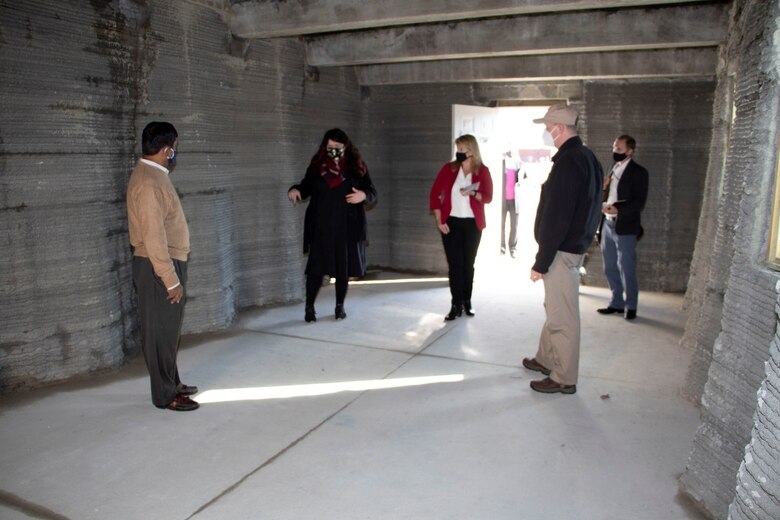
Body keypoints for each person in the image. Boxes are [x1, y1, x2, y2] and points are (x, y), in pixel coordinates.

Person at [523, 105, 603, 395]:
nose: (546, 131)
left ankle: (563, 377)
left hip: (561, 250)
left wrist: (541, 262)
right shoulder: (587, 157)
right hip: (573, 246)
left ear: (559, 127)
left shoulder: (569, 162)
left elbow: (558, 216)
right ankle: (546, 358)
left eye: (548, 126)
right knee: (555, 308)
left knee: (563, 318)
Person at [127, 121, 199, 411]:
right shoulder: (147, 183)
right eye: (175, 148)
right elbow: (154, 238)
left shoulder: (154, 175)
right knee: (159, 333)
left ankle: (172, 381)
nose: (175, 153)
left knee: (167, 331)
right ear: (167, 150)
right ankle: (165, 395)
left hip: (164, 262)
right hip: (158, 266)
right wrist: (170, 279)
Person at [288, 128, 377, 323]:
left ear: (346, 146)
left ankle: (339, 306)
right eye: (330, 146)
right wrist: (296, 190)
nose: (333, 150)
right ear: (324, 146)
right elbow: (306, 187)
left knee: (342, 270)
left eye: (337, 147)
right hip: (321, 226)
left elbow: (371, 191)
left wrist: (363, 196)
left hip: (346, 226)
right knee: (315, 270)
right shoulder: (317, 166)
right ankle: (309, 308)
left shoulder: (356, 166)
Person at [429, 134, 493, 321]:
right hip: (452, 222)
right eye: (457, 149)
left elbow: (488, 197)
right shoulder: (448, 169)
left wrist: (473, 192)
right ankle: (455, 304)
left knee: (468, 264)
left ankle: (467, 301)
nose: (459, 153)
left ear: (472, 151)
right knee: (454, 265)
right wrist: (440, 221)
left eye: (462, 150)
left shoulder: (482, 171)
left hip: (473, 224)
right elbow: (434, 194)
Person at [597, 135, 649, 320]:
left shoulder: (639, 172)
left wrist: (618, 208)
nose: (615, 152)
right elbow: (609, 193)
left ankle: (631, 306)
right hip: (607, 224)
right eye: (614, 148)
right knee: (609, 266)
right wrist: (603, 188)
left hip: (625, 225)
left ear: (630, 151)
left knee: (626, 267)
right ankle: (616, 302)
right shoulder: (612, 168)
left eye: (619, 149)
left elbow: (638, 201)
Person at [500, 150, 520, 257]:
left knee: (514, 225)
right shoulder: (501, 166)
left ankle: (512, 247)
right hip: (503, 200)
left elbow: (525, 179)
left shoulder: (519, 166)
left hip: (514, 200)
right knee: (501, 224)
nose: (510, 153)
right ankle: (502, 246)